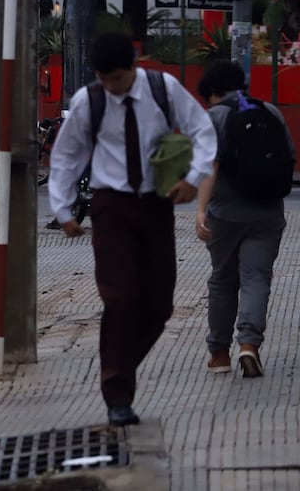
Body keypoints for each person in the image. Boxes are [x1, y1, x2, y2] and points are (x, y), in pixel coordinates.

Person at [48, 32, 216, 427]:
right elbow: (67, 156)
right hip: (112, 206)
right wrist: (63, 209)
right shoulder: (89, 100)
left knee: (159, 306)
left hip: (156, 203)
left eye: (117, 80)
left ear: (133, 68)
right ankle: (117, 394)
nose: (111, 88)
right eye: (103, 79)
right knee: (120, 299)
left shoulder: (163, 88)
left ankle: (119, 365)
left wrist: (193, 177)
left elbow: (203, 131)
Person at [194, 60, 292, 379]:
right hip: (267, 212)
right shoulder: (271, 111)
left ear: (213, 93)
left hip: (226, 214)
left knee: (223, 280)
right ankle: (249, 344)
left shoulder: (215, 116)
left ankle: (219, 353)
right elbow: (288, 156)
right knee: (257, 277)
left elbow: (210, 166)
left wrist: (200, 210)